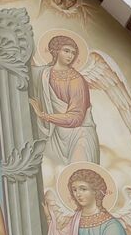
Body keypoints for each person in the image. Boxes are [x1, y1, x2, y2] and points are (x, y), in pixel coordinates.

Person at [30, 34, 100, 169]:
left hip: (79, 137)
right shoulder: (43, 73)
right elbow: (26, 70)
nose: (70, 56)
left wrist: (44, 115)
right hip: (54, 134)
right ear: (55, 51)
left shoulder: (76, 80)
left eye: (73, 53)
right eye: (66, 51)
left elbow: (76, 118)